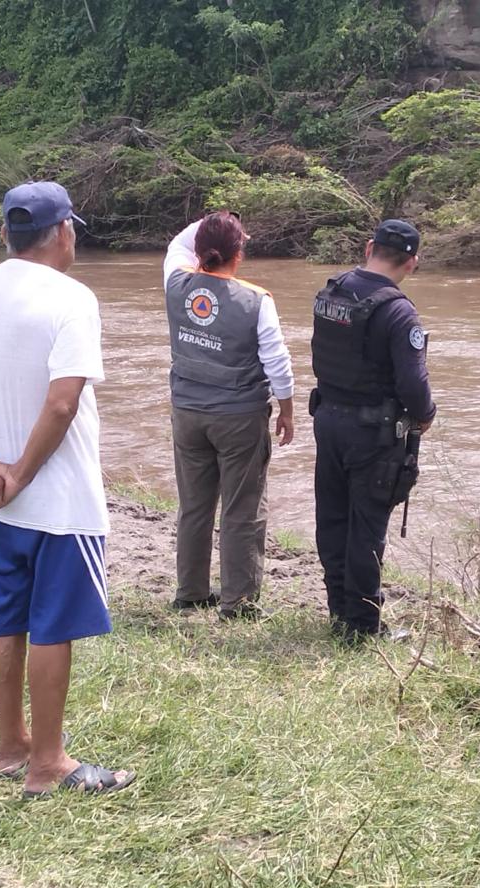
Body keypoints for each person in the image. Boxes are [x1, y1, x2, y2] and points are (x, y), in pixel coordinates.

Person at [0, 181, 134, 799]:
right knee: (53, 626)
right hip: (59, 500)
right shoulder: (72, 298)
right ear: (65, 232)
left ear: (5, 235)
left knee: (7, 618)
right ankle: (48, 764)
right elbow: (63, 399)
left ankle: (11, 744)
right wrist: (19, 471)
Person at [163, 212, 294, 620]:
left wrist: (213, 222)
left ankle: (190, 593)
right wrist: (287, 408)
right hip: (238, 416)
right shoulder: (255, 300)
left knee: (194, 506)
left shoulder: (175, 284)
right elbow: (278, 362)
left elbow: (176, 245)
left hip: (187, 412)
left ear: (199, 250)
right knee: (242, 508)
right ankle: (237, 602)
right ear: (239, 252)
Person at [310, 219, 436, 642]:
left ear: (369, 248)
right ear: (413, 263)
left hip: (328, 421)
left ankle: (338, 612)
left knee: (332, 519)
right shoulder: (399, 311)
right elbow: (415, 388)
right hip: (373, 434)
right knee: (366, 530)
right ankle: (362, 628)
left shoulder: (332, 292)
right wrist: (426, 414)